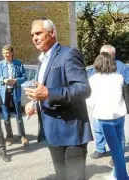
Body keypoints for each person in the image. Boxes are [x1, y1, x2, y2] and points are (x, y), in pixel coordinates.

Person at [24, 17, 93, 180]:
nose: (34, 38)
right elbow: (46, 89)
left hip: (71, 134)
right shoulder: (43, 60)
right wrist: (34, 102)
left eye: (39, 33)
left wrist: (49, 94)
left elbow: (83, 89)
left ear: (52, 32)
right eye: (32, 35)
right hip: (53, 132)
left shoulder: (68, 54)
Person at [87, 52, 128, 180]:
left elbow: (90, 101)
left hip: (104, 117)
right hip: (120, 115)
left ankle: (122, 177)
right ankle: (117, 174)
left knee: (115, 150)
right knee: (119, 147)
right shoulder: (119, 77)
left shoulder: (93, 79)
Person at [0, 44, 28, 146]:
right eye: (4, 53)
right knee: (6, 116)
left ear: (12, 53)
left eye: (8, 53)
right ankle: (9, 137)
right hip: (4, 93)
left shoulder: (18, 64)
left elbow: (24, 77)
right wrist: (3, 80)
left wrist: (15, 81)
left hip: (15, 92)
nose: (6, 55)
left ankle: (22, 136)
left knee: (18, 115)